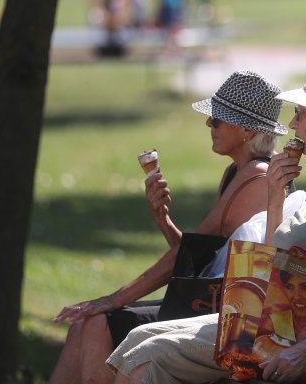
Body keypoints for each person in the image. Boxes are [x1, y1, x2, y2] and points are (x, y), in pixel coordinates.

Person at [105, 64, 306, 384]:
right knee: (137, 340)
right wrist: (275, 198)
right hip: (276, 326)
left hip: (305, 340)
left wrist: (303, 353)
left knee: (151, 355)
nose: (292, 125)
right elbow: (276, 264)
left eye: (300, 115)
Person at [49, 70, 289, 384]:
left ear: (245, 128)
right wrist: (163, 220)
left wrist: (114, 299)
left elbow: (184, 262)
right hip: (207, 298)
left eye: (216, 119)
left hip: (222, 313)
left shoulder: (256, 177)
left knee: (96, 322)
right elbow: (196, 256)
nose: (208, 125)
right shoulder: (237, 172)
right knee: (85, 323)